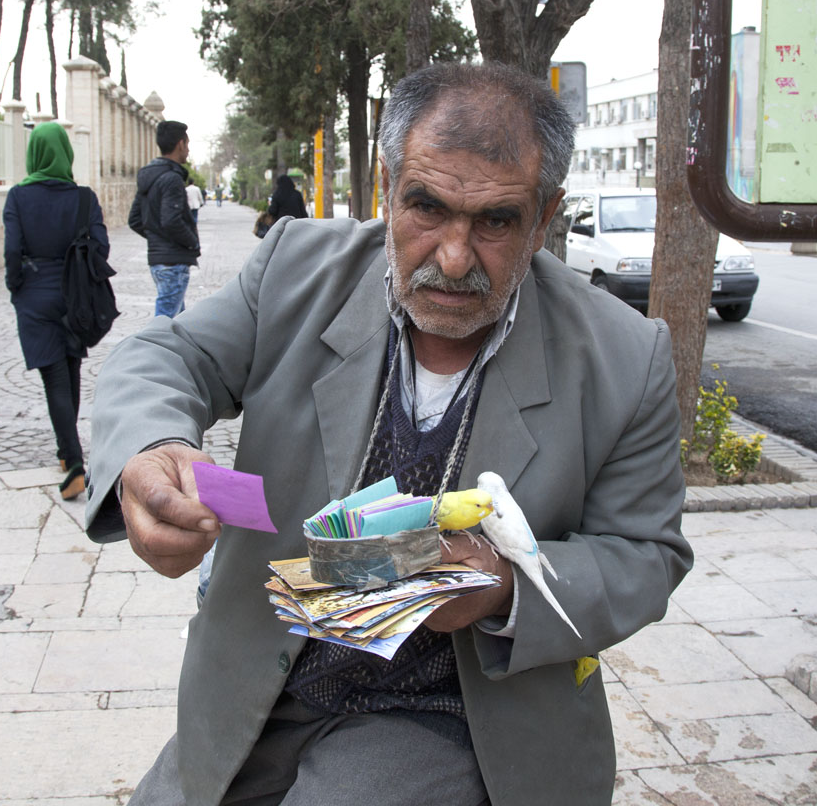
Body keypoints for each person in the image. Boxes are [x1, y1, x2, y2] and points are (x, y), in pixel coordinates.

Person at [86, 62, 692, 806]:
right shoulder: (294, 269)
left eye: (496, 221)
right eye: (426, 207)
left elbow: (646, 556)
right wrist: (152, 450)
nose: (454, 257)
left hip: (452, 715)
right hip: (261, 683)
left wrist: (501, 587)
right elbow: (166, 357)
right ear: (387, 184)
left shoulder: (625, 356)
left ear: (544, 218)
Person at [4, 122, 110, 501]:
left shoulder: (18, 197)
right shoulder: (83, 198)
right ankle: (67, 453)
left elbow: (12, 250)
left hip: (35, 295)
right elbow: (101, 248)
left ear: (34, 153)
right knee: (70, 368)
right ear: (66, 152)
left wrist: (16, 286)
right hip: (74, 296)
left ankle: (74, 461)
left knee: (54, 377)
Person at [128, 120, 200, 318]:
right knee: (164, 323)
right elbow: (170, 220)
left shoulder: (149, 175)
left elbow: (135, 219)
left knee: (176, 319)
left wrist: (156, 237)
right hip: (173, 262)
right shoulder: (172, 178)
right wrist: (192, 242)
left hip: (160, 260)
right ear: (180, 144)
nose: (188, 150)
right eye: (187, 144)